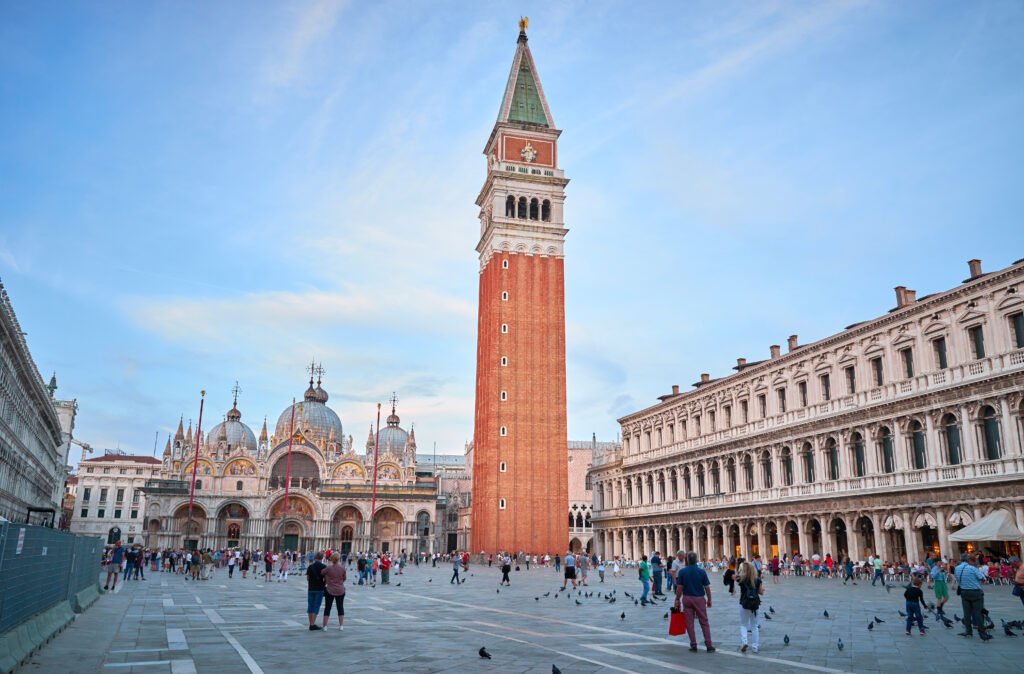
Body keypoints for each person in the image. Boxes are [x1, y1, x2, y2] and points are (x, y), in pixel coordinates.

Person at [675, 552, 714, 653]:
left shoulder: (682, 572)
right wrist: (709, 599)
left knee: (689, 622)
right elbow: (707, 588)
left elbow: (679, 588)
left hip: (687, 598)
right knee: (704, 622)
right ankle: (709, 645)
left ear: (687, 560)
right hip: (699, 599)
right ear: (697, 560)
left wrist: (677, 599)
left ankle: (693, 645)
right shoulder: (701, 572)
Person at [954, 553, 990, 640]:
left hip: (964, 592)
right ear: (968, 560)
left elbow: (957, 579)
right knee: (978, 612)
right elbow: (982, 579)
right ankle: (982, 632)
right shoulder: (972, 568)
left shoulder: (957, 568)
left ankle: (968, 631)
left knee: (966, 613)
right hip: (975, 592)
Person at [736, 561, 763, 653]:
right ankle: (755, 647)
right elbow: (761, 592)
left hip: (743, 604)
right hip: (755, 605)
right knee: (754, 626)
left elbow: (736, 576)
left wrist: (740, 570)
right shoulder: (757, 580)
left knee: (743, 624)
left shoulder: (741, 580)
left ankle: (744, 642)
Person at [322, 552, 347, 631]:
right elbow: (344, 578)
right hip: (340, 589)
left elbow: (322, 572)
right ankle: (341, 625)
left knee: (327, 607)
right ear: (339, 559)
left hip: (330, 589)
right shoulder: (342, 568)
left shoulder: (329, 568)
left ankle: (325, 626)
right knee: (340, 607)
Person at [304, 552, 327, 631]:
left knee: (310, 605)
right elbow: (326, 579)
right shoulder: (324, 566)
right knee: (316, 606)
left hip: (311, 588)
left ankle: (311, 623)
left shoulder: (310, 567)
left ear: (315, 558)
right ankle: (312, 624)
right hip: (319, 589)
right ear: (322, 558)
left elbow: (307, 578)